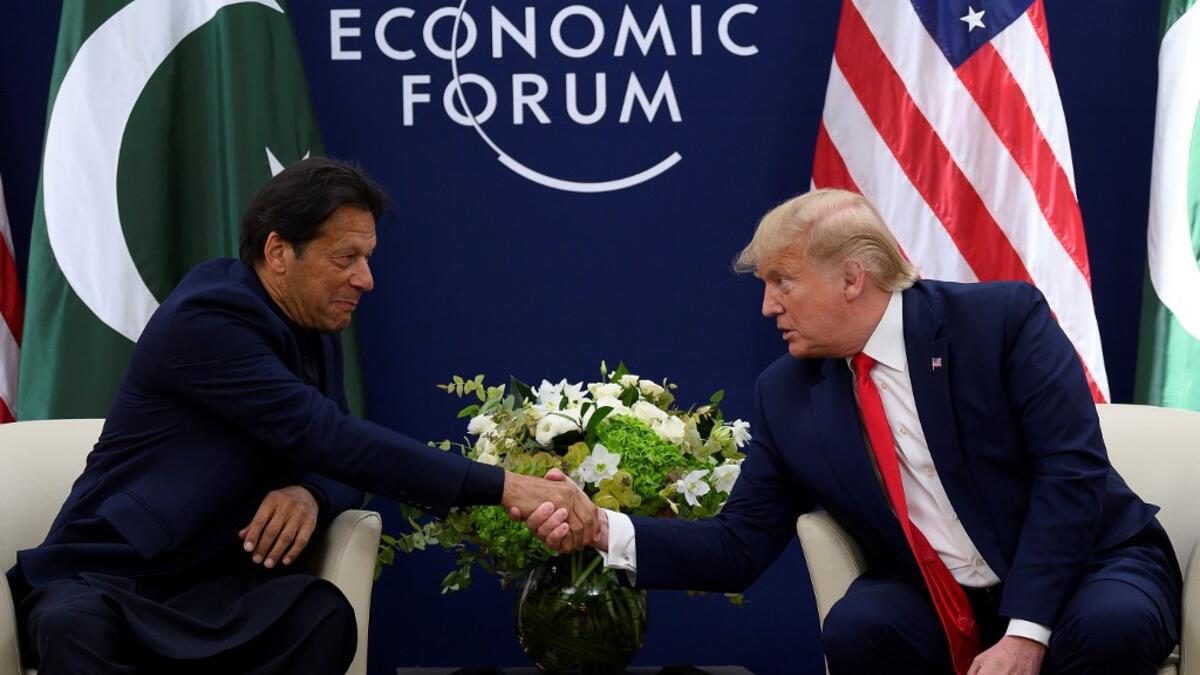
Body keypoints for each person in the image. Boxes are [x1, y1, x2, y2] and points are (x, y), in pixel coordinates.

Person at [524, 189, 1182, 675]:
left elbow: (1070, 474)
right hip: (936, 593)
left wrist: (1026, 633)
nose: (767, 305)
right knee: (861, 627)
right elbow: (738, 545)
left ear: (851, 277)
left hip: (1086, 567)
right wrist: (599, 528)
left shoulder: (1000, 322)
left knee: (1111, 627)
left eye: (783, 281)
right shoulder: (786, 392)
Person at [5, 158, 591, 674]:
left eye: (367, 257)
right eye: (347, 258)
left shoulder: (312, 323)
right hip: (112, 577)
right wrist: (505, 486)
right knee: (71, 626)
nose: (366, 279)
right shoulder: (208, 318)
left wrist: (310, 491)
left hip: (216, 585)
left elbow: (337, 456)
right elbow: (331, 436)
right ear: (279, 251)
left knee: (321, 614)